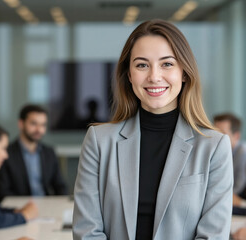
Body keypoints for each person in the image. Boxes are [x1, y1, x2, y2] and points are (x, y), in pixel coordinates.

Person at [73, 19, 233, 240]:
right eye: (141, 65)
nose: (154, 76)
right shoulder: (99, 142)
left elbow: (213, 236)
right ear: (129, 75)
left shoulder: (214, 146)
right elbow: (87, 231)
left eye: (167, 64)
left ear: (184, 72)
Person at [0, 104, 67, 202]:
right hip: (18, 209)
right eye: (33, 124)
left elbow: (60, 186)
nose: (39, 129)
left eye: (43, 125)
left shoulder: (49, 152)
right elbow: (2, 192)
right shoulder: (5, 153)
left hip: (47, 206)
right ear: (21, 124)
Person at [214, 113, 246, 194]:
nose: (216, 138)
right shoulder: (215, 152)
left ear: (236, 136)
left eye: (222, 134)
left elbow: (238, 188)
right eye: (214, 133)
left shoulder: (243, 152)